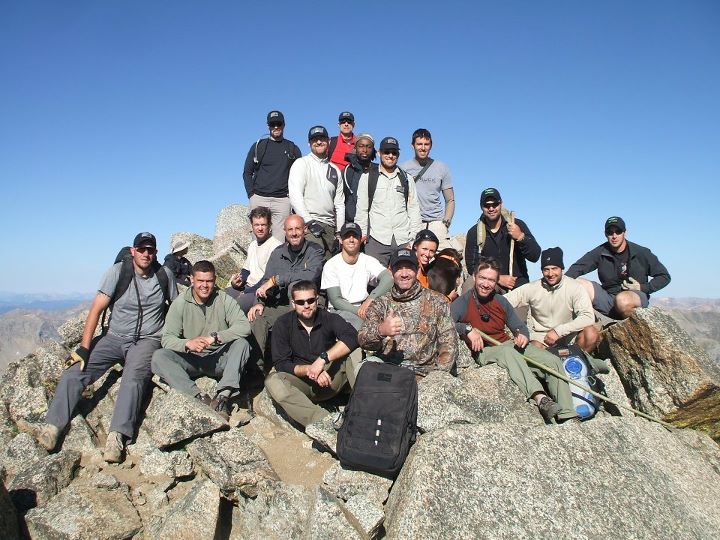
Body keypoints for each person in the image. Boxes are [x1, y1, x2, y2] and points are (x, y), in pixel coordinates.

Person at [38, 232, 177, 461]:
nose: (145, 254)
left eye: (150, 250)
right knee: (76, 371)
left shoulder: (164, 276)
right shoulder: (118, 273)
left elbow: (176, 306)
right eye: (141, 249)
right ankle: (53, 425)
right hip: (113, 337)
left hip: (147, 340)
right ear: (132, 251)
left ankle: (117, 436)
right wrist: (84, 348)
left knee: (133, 378)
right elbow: (96, 309)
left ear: (155, 253)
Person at [451, 256, 579, 423]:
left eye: (491, 280)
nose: (486, 284)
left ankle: (568, 414)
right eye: (482, 278)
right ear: (475, 277)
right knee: (508, 351)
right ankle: (541, 398)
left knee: (552, 360)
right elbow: (445, 322)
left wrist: (522, 334)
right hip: (486, 350)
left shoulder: (500, 301)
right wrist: (467, 329)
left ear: (496, 282)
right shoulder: (463, 302)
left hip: (507, 344)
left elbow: (519, 326)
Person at [151, 260, 251, 419]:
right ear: (192, 280)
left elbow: (244, 327)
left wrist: (217, 337)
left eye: (209, 281)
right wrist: (187, 343)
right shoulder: (180, 303)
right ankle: (198, 397)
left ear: (215, 280)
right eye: (200, 281)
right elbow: (167, 338)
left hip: (219, 358)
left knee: (242, 344)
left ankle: (222, 398)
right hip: (191, 359)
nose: (205, 285)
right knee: (159, 357)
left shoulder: (224, 300)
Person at [264, 280, 359, 427]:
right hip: (303, 385)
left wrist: (322, 360)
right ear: (293, 303)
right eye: (301, 302)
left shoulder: (329, 318)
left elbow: (352, 336)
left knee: (355, 353)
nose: (306, 305)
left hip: (331, 378)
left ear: (317, 300)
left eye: (310, 300)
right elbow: (281, 363)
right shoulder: (282, 324)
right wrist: (309, 370)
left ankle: (364, 409)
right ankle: (324, 422)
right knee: (273, 381)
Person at [358, 248, 457, 377]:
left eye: (409, 268)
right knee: (362, 370)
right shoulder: (380, 303)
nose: (404, 274)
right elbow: (363, 339)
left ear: (417, 270)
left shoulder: (438, 302)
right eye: (399, 268)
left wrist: (437, 377)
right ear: (391, 271)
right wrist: (381, 330)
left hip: (424, 375)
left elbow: (448, 344)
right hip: (388, 372)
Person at [247, 214, 324, 363]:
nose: (294, 233)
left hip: (309, 305)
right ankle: (257, 368)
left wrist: (277, 280)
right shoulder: (277, 253)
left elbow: (311, 274)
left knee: (294, 288)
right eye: (290, 229)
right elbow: (265, 281)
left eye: (298, 229)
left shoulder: (315, 250)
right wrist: (259, 302)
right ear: (285, 231)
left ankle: (296, 359)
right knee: (257, 316)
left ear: (305, 230)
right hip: (282, 305)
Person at [566, 216, 671, 319]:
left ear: (625, 232)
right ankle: (588, 324)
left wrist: (642, 288)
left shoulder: (641, 253)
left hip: (633, 299)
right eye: (610, 232)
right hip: (609, 301)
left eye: (618, 231)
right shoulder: (600, 252)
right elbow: (577, 268)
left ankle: (633, 330)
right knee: (575, 284)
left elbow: (664, 276)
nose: (614, 236)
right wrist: (559, 286)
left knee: (623, 300)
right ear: (605, 234)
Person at [505, 247, 599, 353]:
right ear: (542, 270)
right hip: (541, 338)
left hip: (569, 336)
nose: (550, 274)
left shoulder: (575, 287)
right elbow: (504, 301)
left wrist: (559, 331)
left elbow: (587, 317)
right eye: (546, 269)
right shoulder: (532, 288)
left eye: (554, 268)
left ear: (561, 268)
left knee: (591, 334)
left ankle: (578, 362)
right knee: (533, 349)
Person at [355, 137, 422, 266]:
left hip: (403, 240)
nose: (390, 156)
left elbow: (414, 210)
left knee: (404, 281)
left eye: (394, 152)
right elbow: (362, 209)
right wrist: (363, 234)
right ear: (379, 153)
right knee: (376, 283)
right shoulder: (367, 177)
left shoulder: (407, 179)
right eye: (387, 152)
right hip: (376, 240)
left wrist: (413, 240)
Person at [464, 188, 541, 292]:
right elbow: (472, 267)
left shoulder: (517, 225)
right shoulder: (474, 233)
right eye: (487, 205)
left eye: (495, 204)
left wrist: (521, 237)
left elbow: (535, 256)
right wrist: (497, 278)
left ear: (501, 204)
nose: (491, 208)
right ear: (481, 207)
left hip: (517, 287)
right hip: (490, 286)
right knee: (469, 284)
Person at [321, 222, 394, 330]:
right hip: (339, 310)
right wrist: (360, 312)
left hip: (365, 306)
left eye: (355, 236)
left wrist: (370, 299)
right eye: (347, 236)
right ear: (340, 240)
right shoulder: (331, 265)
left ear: (360, 240)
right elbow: (336, 300)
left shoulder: (367, 260)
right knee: (364, 328)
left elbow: (388, 279)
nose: (351, 240)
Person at [288, 125, 345, 261]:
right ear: (309, 144)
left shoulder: (335, 170)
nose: (318, 142)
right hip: (309, 225)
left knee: (330, 271)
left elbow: (340, 203)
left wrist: (339, 232)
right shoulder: (301, 164)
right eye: (314, 140)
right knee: (314, 267)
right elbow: (295, 196)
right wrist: (309, 222)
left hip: (330, 227)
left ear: (328, 141)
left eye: (322, 139)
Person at [243, 110, 302, 240]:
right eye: (272, 124)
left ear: (284, 125)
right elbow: (247, 172)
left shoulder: (292, 148)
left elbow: (300, 175)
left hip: (282, 201)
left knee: (279, 242)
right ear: (268, 126)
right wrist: (251, 194)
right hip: (259, 198)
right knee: (257, 240)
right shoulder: (259, 146)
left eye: (278, 124)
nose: (276, 127)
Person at [401, 128, 456, 249]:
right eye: (419, 144)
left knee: (445, 260)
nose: (423, 148)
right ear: (412, 146)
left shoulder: (442, 167)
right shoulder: (403, 168)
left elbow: (450, 199)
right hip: (413, 223)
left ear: (431, 146)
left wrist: (446, 223)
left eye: (426, 144)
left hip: (436, 223)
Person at [224, 206, 283, 312]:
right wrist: (238, 281)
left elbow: (268, 278)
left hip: (261, 290)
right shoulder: (252, 245)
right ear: (252, 226)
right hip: (247, 287)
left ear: (269, 225)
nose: (260, 228)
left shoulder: (276, 246)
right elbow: (246, 270)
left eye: (263, 225)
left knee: (234, 309)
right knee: (220, 298)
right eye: (256, 225)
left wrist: (246, 291)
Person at [342, 133, 377, 223]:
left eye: (368, 147)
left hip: (374, 224)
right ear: (355, 148)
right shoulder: (347, 171)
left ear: (373, 150)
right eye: (361, 146)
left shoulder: (378, 171)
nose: (364, 150)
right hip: (351, 223)